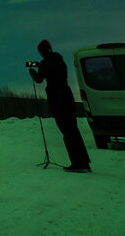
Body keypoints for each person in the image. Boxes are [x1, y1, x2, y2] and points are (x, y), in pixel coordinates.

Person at [29, 39, 92, 173]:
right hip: (67, 96)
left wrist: (33, 73)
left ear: (41, 52)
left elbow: (39, 79)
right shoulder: (59, 59)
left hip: (57, 99)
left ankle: (77, 163)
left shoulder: (45, 63)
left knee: (66, 131)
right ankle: (84, 162)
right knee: (73, 129)